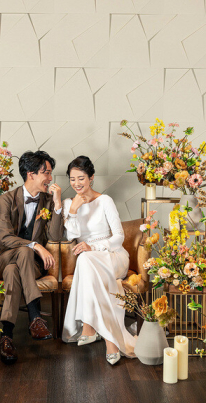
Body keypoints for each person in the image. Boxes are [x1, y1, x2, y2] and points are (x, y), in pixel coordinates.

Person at [61, 156, 136, 365]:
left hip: (113, 255)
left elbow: (119, 237)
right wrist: (73, 210)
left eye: (81, 178)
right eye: (72, 179)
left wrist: (93, 247)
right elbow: (70, 236)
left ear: (91, 178)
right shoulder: (69, 203)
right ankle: (111, 342)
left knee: (85, 258)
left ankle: (89, 327)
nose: (77, 183)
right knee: (85, 260)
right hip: (89, 261)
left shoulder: (105, 201)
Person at [0, 150, 63, 364]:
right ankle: (35, 316)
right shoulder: (6, 199)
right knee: (24, 251)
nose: (50, 178)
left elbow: (55, 236)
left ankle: (6, 337)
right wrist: (35, 246)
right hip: (2, 258)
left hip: (29, 266)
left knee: (13, 272)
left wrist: (58, 205)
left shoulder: (48, 200)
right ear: (31, 174)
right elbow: (5, 238)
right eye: (46, 173)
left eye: (50, 173)